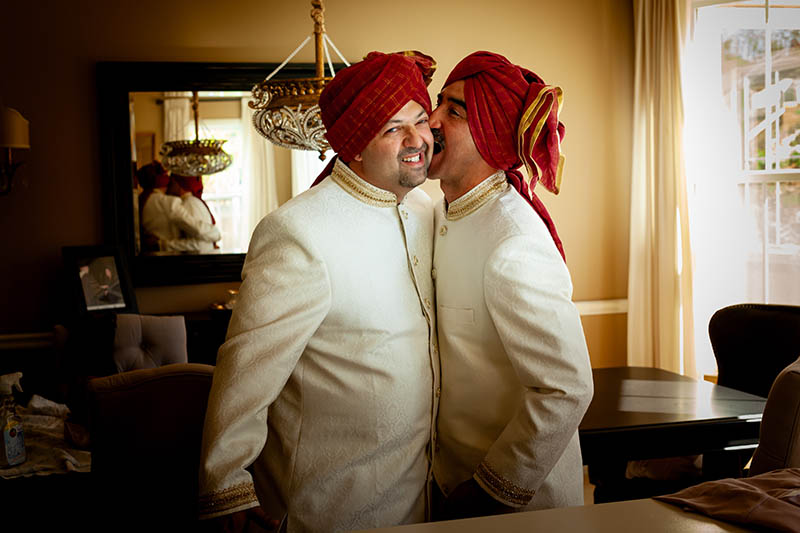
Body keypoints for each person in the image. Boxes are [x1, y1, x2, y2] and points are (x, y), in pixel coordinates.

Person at [198, 51, 440, 533]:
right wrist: (225, 484)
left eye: (420, 120)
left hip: (420, 498)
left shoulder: (426, 209)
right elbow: (246, 370)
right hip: (328, 504)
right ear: (352, 145)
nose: (417, 140)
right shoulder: (298, 231)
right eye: (393, 129)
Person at [427, 51, 594, 518]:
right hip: (445, 486)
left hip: (514, 508)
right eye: (437, 102)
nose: (431, 119)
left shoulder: (513, 241)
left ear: (491, 136)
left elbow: (566, 388)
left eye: (454, 111)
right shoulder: (441, 214)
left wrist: (489, 491)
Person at [135, 161, 221, 253]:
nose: (170, 182)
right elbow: (196, 229)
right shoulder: (168, 202)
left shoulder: (140, 200)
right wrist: (216, 233)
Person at [168, 173, 219, 252]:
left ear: (179, 184)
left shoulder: (189, 202)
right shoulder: (192, 201)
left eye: (172, 182)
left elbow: (198, 242)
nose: (169, 185)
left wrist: (163, 245)